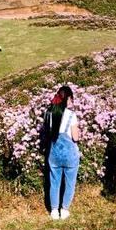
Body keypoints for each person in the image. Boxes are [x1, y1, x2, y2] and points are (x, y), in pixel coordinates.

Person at [43, 85, 80, 221]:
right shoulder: (71, 115)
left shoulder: (48, 114)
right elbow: (75, 137)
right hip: (70, 155)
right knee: (70, 183)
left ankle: (54, 210)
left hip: (54, 155)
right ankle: (64, 210)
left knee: (54, 183)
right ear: (68, 99)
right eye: (71, 99)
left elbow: (46, 136)